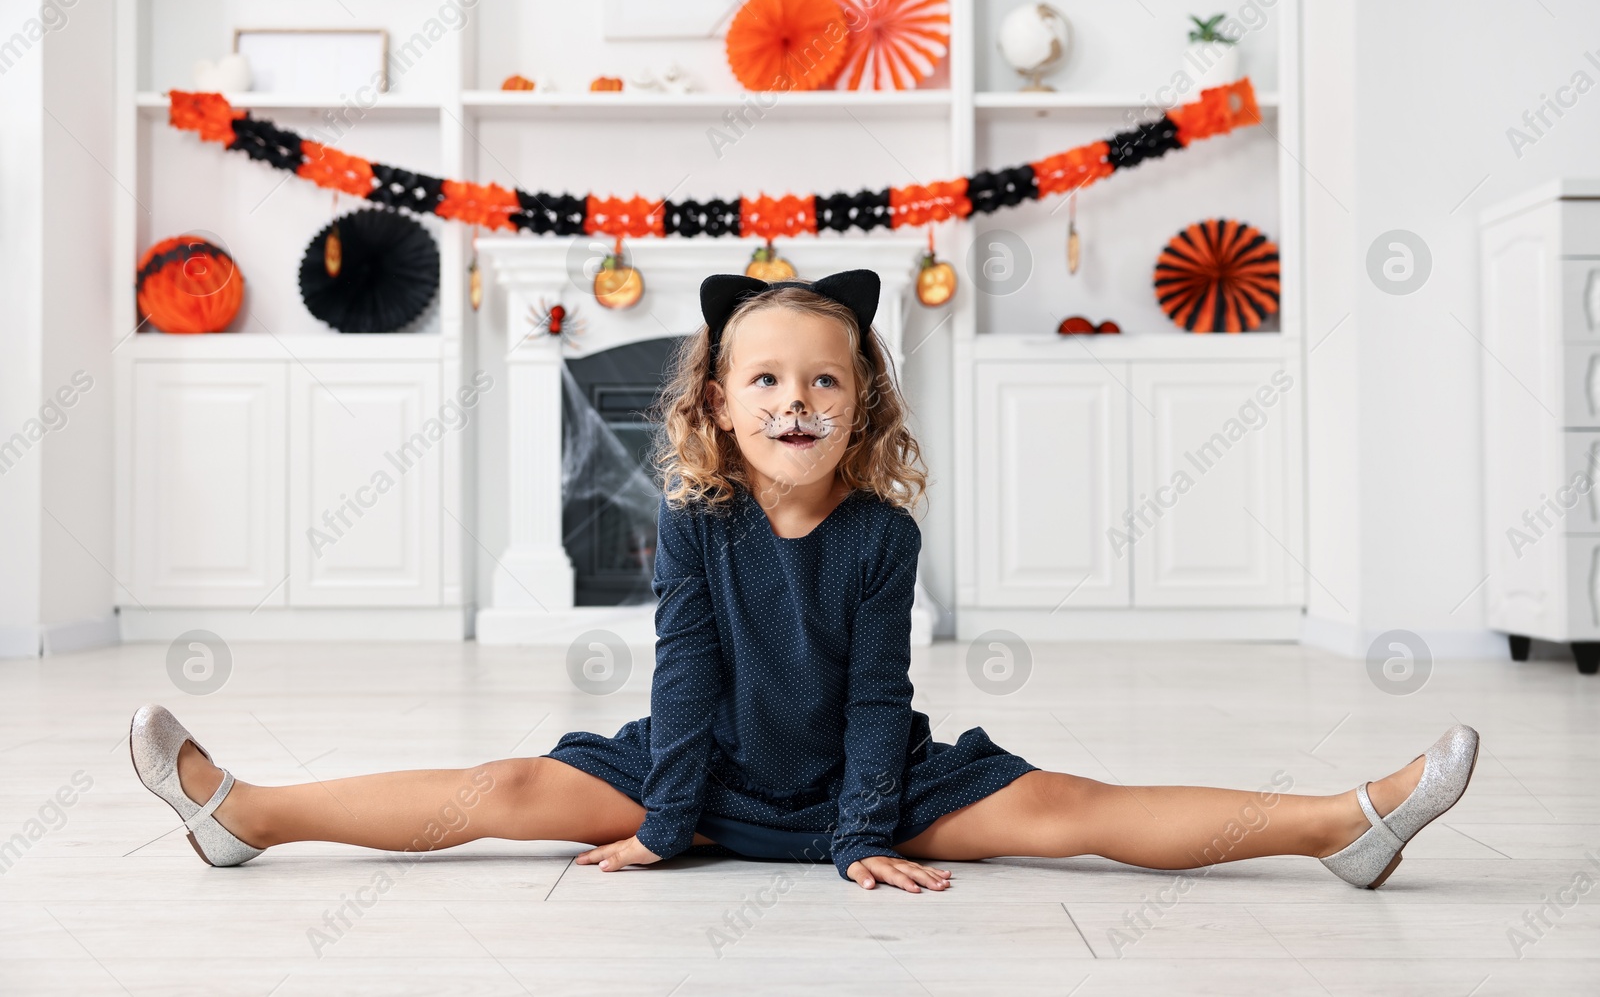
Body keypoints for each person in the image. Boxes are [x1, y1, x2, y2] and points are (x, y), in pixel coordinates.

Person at [129, 269, 1479, 893]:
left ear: (861, 405)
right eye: (766, 379)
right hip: (701, 768)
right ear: (718, 405)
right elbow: (687, 678)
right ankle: (247, 811)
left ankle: (1338, 825)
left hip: (858, 773)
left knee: (1068, 805)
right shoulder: (700, 519)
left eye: (823, 380)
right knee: (507, 790)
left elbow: (881, 692)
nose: (796, 399)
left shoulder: (882, 537)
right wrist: (665, 824)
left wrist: (863, 830)